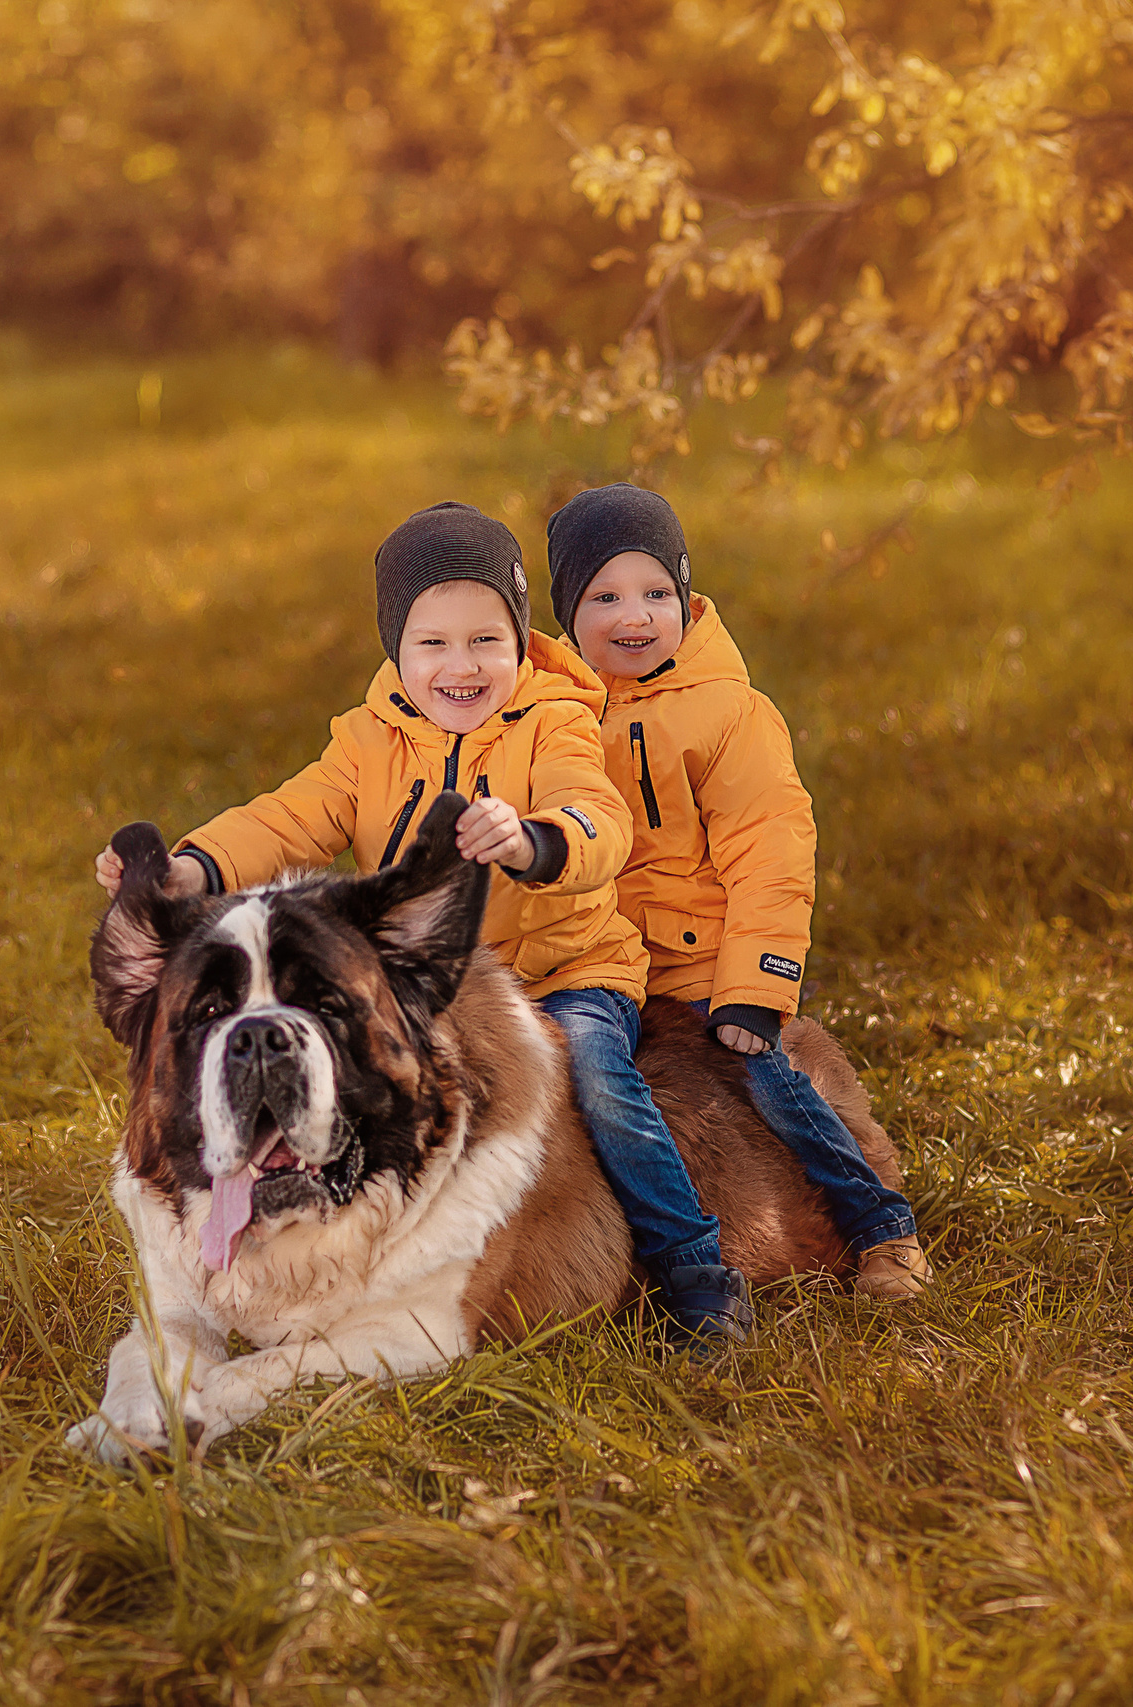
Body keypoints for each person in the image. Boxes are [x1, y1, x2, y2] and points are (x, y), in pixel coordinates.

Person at [95, 500, 754, 1349]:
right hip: (438, 983)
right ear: (397, 653)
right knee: (393, 1083)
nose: (462, 666)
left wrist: (534, 838)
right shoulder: (367, 742)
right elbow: (285, 820)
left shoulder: (555, 722)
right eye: (433, 644)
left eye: (487, 640)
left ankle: (694, 1266)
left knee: (599, 1083)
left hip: (569, 970)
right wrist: (192, 867)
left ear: (520, 641)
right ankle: (361, 1246)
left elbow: (599, 818)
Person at [547, 483, 932, 1299]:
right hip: (603, 966)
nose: (635, 615)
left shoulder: (729, 713)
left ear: (687, 601)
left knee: (775, 1088)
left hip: (706, 962)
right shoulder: (556, 716)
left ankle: (881, 1227)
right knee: (586, 1094)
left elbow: (772, 851)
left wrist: (755, 985)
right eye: (605, 596)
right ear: (566, 615)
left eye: (657, 592)